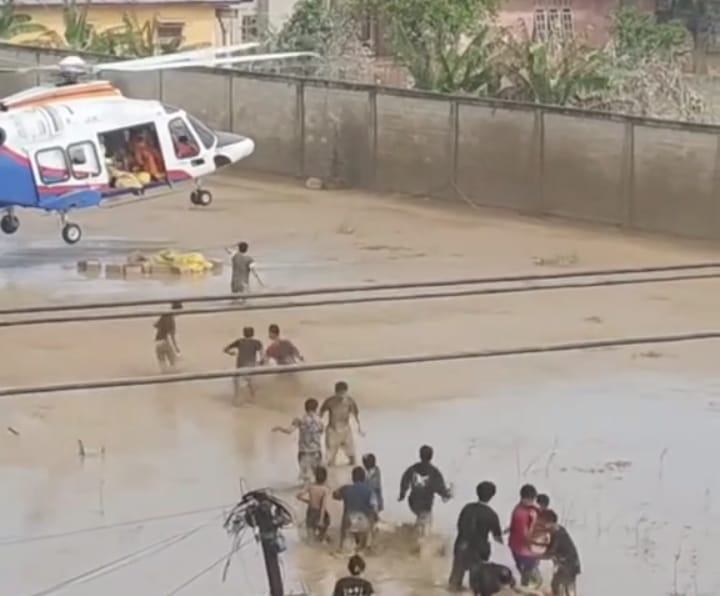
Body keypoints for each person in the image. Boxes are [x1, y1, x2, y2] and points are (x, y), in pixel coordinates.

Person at [448, 481, 503, 592]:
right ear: (492, 496)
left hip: (462, 545)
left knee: (455, 578)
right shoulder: (491, 514)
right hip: (478, 550)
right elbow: (497, 537)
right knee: (475, 582)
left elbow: (460, 525)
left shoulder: (467, 508)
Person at [398, 445, 452, 536]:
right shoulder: (434, 472)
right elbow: (440, 487)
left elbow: (404, 480)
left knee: (421, 517)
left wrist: (402, 494)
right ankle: (416, 536)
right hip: (426, 503)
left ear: (420, 455)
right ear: (431, 456)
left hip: (413, 501)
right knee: (426, 522)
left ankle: (414, 531)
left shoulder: (413, 469)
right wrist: (446, 494)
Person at [272, 398, 324, 485]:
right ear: (316, 408)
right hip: (316, 451)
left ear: (305, 407)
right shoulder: (320, 420)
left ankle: (305, 489)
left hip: (304, 451)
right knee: (318, 476)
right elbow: (321, 431)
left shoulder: (299, 419)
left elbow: (289, 431)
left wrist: (279, 428)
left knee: (305, 476)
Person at [333, 466, 378, 552]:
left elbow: (335, 495)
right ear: (364, 478)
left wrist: (341, 491)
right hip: (363, 522)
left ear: (353, 478)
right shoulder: (370, 491)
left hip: (349, 521)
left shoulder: (346, 489)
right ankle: (368, 545)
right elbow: (374, 507)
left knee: (346, 545)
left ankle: (342, 544)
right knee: (372, 518)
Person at [320, 381, 363, 467]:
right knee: (330, 458)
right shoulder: (330, 401)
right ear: (336, 392)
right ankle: (331, 473)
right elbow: (321, 413)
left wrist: (359, 428)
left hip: (345, 430)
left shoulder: (350, 401)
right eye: (340, 393)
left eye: (343, 392)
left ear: (346, 392)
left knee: (352, 456)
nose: (341, 395)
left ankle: (351, 472)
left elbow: (356, 414)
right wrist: (320, 425)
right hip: (332, 430)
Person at [540, 509, 580, 596]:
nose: (543, 525)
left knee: (565, 586)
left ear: (551, 522)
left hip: (569, 564)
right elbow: (550, 548)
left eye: (544, 522)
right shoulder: (557, 530)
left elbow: (551, 551)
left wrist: (536, 556)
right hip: (567, 563)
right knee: (556, 585)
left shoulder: (558, 534)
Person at [509, 484, 541, 587]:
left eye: (533, 499)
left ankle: (529, 581)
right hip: (523, 548)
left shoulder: (530, 509)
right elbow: (523, 531)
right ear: (523, 498)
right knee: (527, 570)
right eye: (529, 499)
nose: (531, 501)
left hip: (522, 547)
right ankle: (529, 584)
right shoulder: (520, 513)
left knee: (526, 569)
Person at [223, 326, 263, 399]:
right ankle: (253, 397)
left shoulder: (240, 341)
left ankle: (237, 397)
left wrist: (231, 353)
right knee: (250, 383)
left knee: (237, 383)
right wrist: (261, 361)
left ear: (243, 333)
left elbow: (225, 349)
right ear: (253, 333)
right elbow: (262, 353)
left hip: (240, 366)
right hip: (251, 366)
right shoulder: (256, 342)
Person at [296, 465, 331, 542]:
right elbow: (323, 506)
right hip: (319, 512)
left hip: (311, 511)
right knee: (323, 530)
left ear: (315, 476)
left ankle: (311, 543)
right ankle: (322, 538)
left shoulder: (310, 486)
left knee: (310, 534)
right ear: (325, 478)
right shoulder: (325, 490)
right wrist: (321, 520)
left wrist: (308, 501)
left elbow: (298, 496)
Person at [153, 301, 182, 372]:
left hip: (157, 342)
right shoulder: (172, 320)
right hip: (164, 342)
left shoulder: (165, 314)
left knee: (162, 364)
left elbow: (155, 325)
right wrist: (176, 347)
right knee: (173, 361)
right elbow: (172, 336)